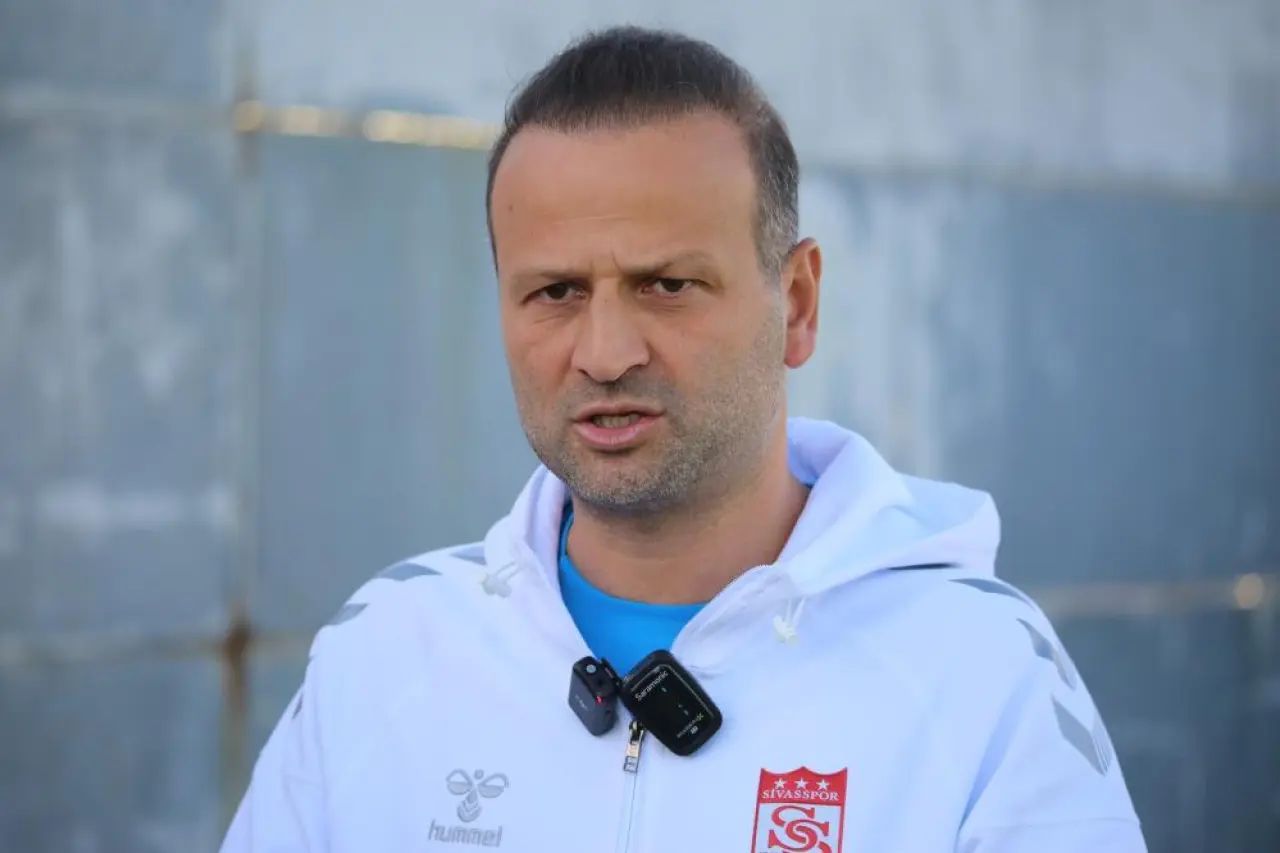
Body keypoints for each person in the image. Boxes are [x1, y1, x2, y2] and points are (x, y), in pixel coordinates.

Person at [220, 25, 1146, 852]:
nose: (605, 353)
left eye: (667, 285)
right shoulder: (384, 657)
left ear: (797, 304)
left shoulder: (978, 673)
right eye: (555, 292)